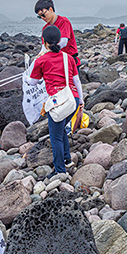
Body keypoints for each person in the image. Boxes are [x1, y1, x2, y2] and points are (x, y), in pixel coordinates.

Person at [26, 25, 84, 178]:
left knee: (55, 136)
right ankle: (67, 159)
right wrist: (81, 100)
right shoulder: (68, 58)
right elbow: (76, 80)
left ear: (44, 42)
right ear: (59, 41)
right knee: (61, 129)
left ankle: (60, 170)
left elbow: (32, 82)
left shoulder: (42, 60)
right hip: (73, 99)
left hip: (59, 104)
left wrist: (26, 77)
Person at [34, 0, 79, 66]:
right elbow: (44, 47)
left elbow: (63, 42)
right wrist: (39, 56)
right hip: (56, 62)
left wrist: (48, 51)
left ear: (51, 9)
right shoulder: (45, 28)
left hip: (69, 61)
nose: (43, 18)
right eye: (40, 17)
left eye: (43, 15)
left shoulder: (63, 22)